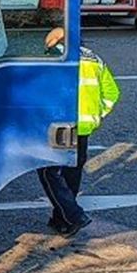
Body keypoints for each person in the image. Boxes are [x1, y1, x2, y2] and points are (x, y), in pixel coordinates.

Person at [39, 27, 120, 236]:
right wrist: (96, 115)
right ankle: (62, 221)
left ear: (59, 41)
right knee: (72, 172)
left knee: (48, 171)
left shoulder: (57, 58)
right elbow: (112, 93)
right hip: (85, 126)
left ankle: (74, 216)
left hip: (62, 123)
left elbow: (43, 93)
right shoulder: (95, 59)